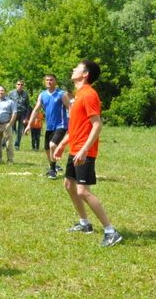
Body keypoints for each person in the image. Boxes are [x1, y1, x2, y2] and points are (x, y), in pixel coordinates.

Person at [54, 59, 122, 248]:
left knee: (83, 191)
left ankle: (110, 231)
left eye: (77, 67)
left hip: (84, 151)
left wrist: (84, 150)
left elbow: (97, 124)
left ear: (85, 74)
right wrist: (62, 144)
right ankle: (85, 223)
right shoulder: (78, 95)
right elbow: (76, 127)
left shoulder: (89, 95)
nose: (73, 68)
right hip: (75, 150)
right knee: (69, 184)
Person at [24, 74, 71, 179]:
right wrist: (29, 125)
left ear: (55, 81)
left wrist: (72, 124)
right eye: (47, 80)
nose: (49, 82)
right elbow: (36, 110)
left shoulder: (61, 94)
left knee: (52, 145)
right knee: (47, 149)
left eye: (51, 80)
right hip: (49, 127)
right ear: (44, 82)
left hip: (61, 125)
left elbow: (70, 108)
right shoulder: (42, 95)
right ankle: (53, 166)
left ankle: (53, 170)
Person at [7, 79, 31, 150]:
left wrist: (26, 117)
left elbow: (27, 106)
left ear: (23, 86)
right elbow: (7, 104)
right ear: (16, 85)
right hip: (13, 114)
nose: (20, 86)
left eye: (21, 85)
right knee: (9, 129)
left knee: (20, 131)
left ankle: (17, 145)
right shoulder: (11, 93)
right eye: (18, 84)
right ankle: (4, 143)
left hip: (22, 114)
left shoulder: (26, 94)